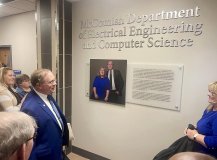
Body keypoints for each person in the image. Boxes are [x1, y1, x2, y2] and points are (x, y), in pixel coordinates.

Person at [20, 68, 69, 160]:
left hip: (56, 150)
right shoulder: (29, 108)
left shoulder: (47, 95)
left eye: (54, 80)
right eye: (50, 82)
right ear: (39, 85)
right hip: (45, 156)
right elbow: (27, 143)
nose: (55, 84)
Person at [183, 81, 217, 158]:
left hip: (209, 156)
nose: (208, 94)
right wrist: (193, 129)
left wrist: (194, 135)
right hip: (198, 151)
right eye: (209, 92)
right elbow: (207, 127)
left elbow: (215, 141)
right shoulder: (210, 108)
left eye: (213, 93)